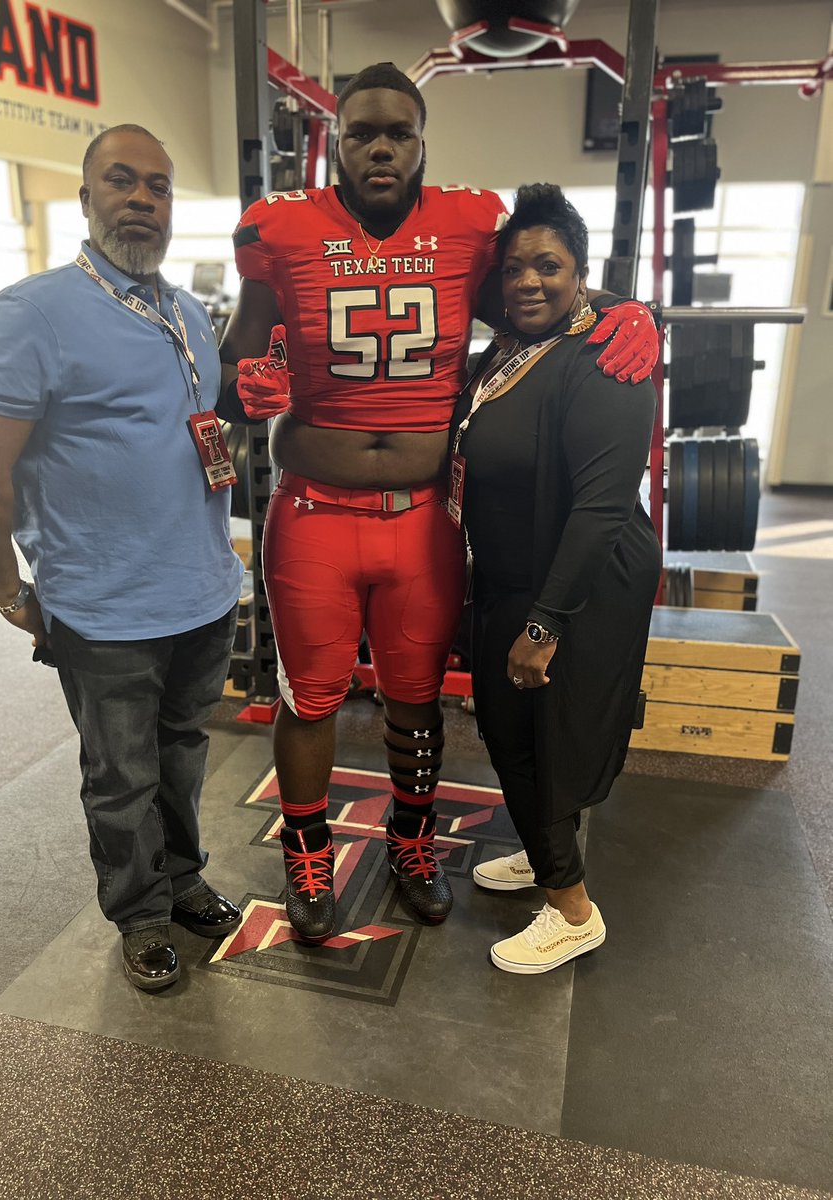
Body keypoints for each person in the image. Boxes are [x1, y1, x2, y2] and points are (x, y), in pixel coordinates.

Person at [220, 63, 659, 943]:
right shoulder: (283, 229)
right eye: (360, 133)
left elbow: (544, 296)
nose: (380, 147)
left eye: (399, 133)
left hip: (420, 517)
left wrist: (628, 308)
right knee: (310, 697)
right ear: (336, 142)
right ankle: (307, 856)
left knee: (416, 698)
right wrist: (246, 384)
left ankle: (413, 842)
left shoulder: (469, 228)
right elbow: (237, 366)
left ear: (423, 143)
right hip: (312, 513)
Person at [0, 124, 245, 992]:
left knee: (184, 755)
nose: (142, 199)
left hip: (202, 591)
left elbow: (191, 437)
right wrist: (10, 593)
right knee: (120, 778)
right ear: (85, 198)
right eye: (122, 181)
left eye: (159, 185)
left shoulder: (184, 313)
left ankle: (182, 880)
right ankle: (140, 912)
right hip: (103, 607)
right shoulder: (30, 313)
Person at [451, 183, 662, 974]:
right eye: (515, 269)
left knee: (548, 739)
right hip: (508, 575)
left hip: (576, 587)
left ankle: (572, 910)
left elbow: (604, 507)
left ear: (580, 277)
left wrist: (545, 626)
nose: (528, 282)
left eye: (550, 266)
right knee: (509, 734)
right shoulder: (508, 348)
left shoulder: (607, 357)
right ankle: (548, 861)